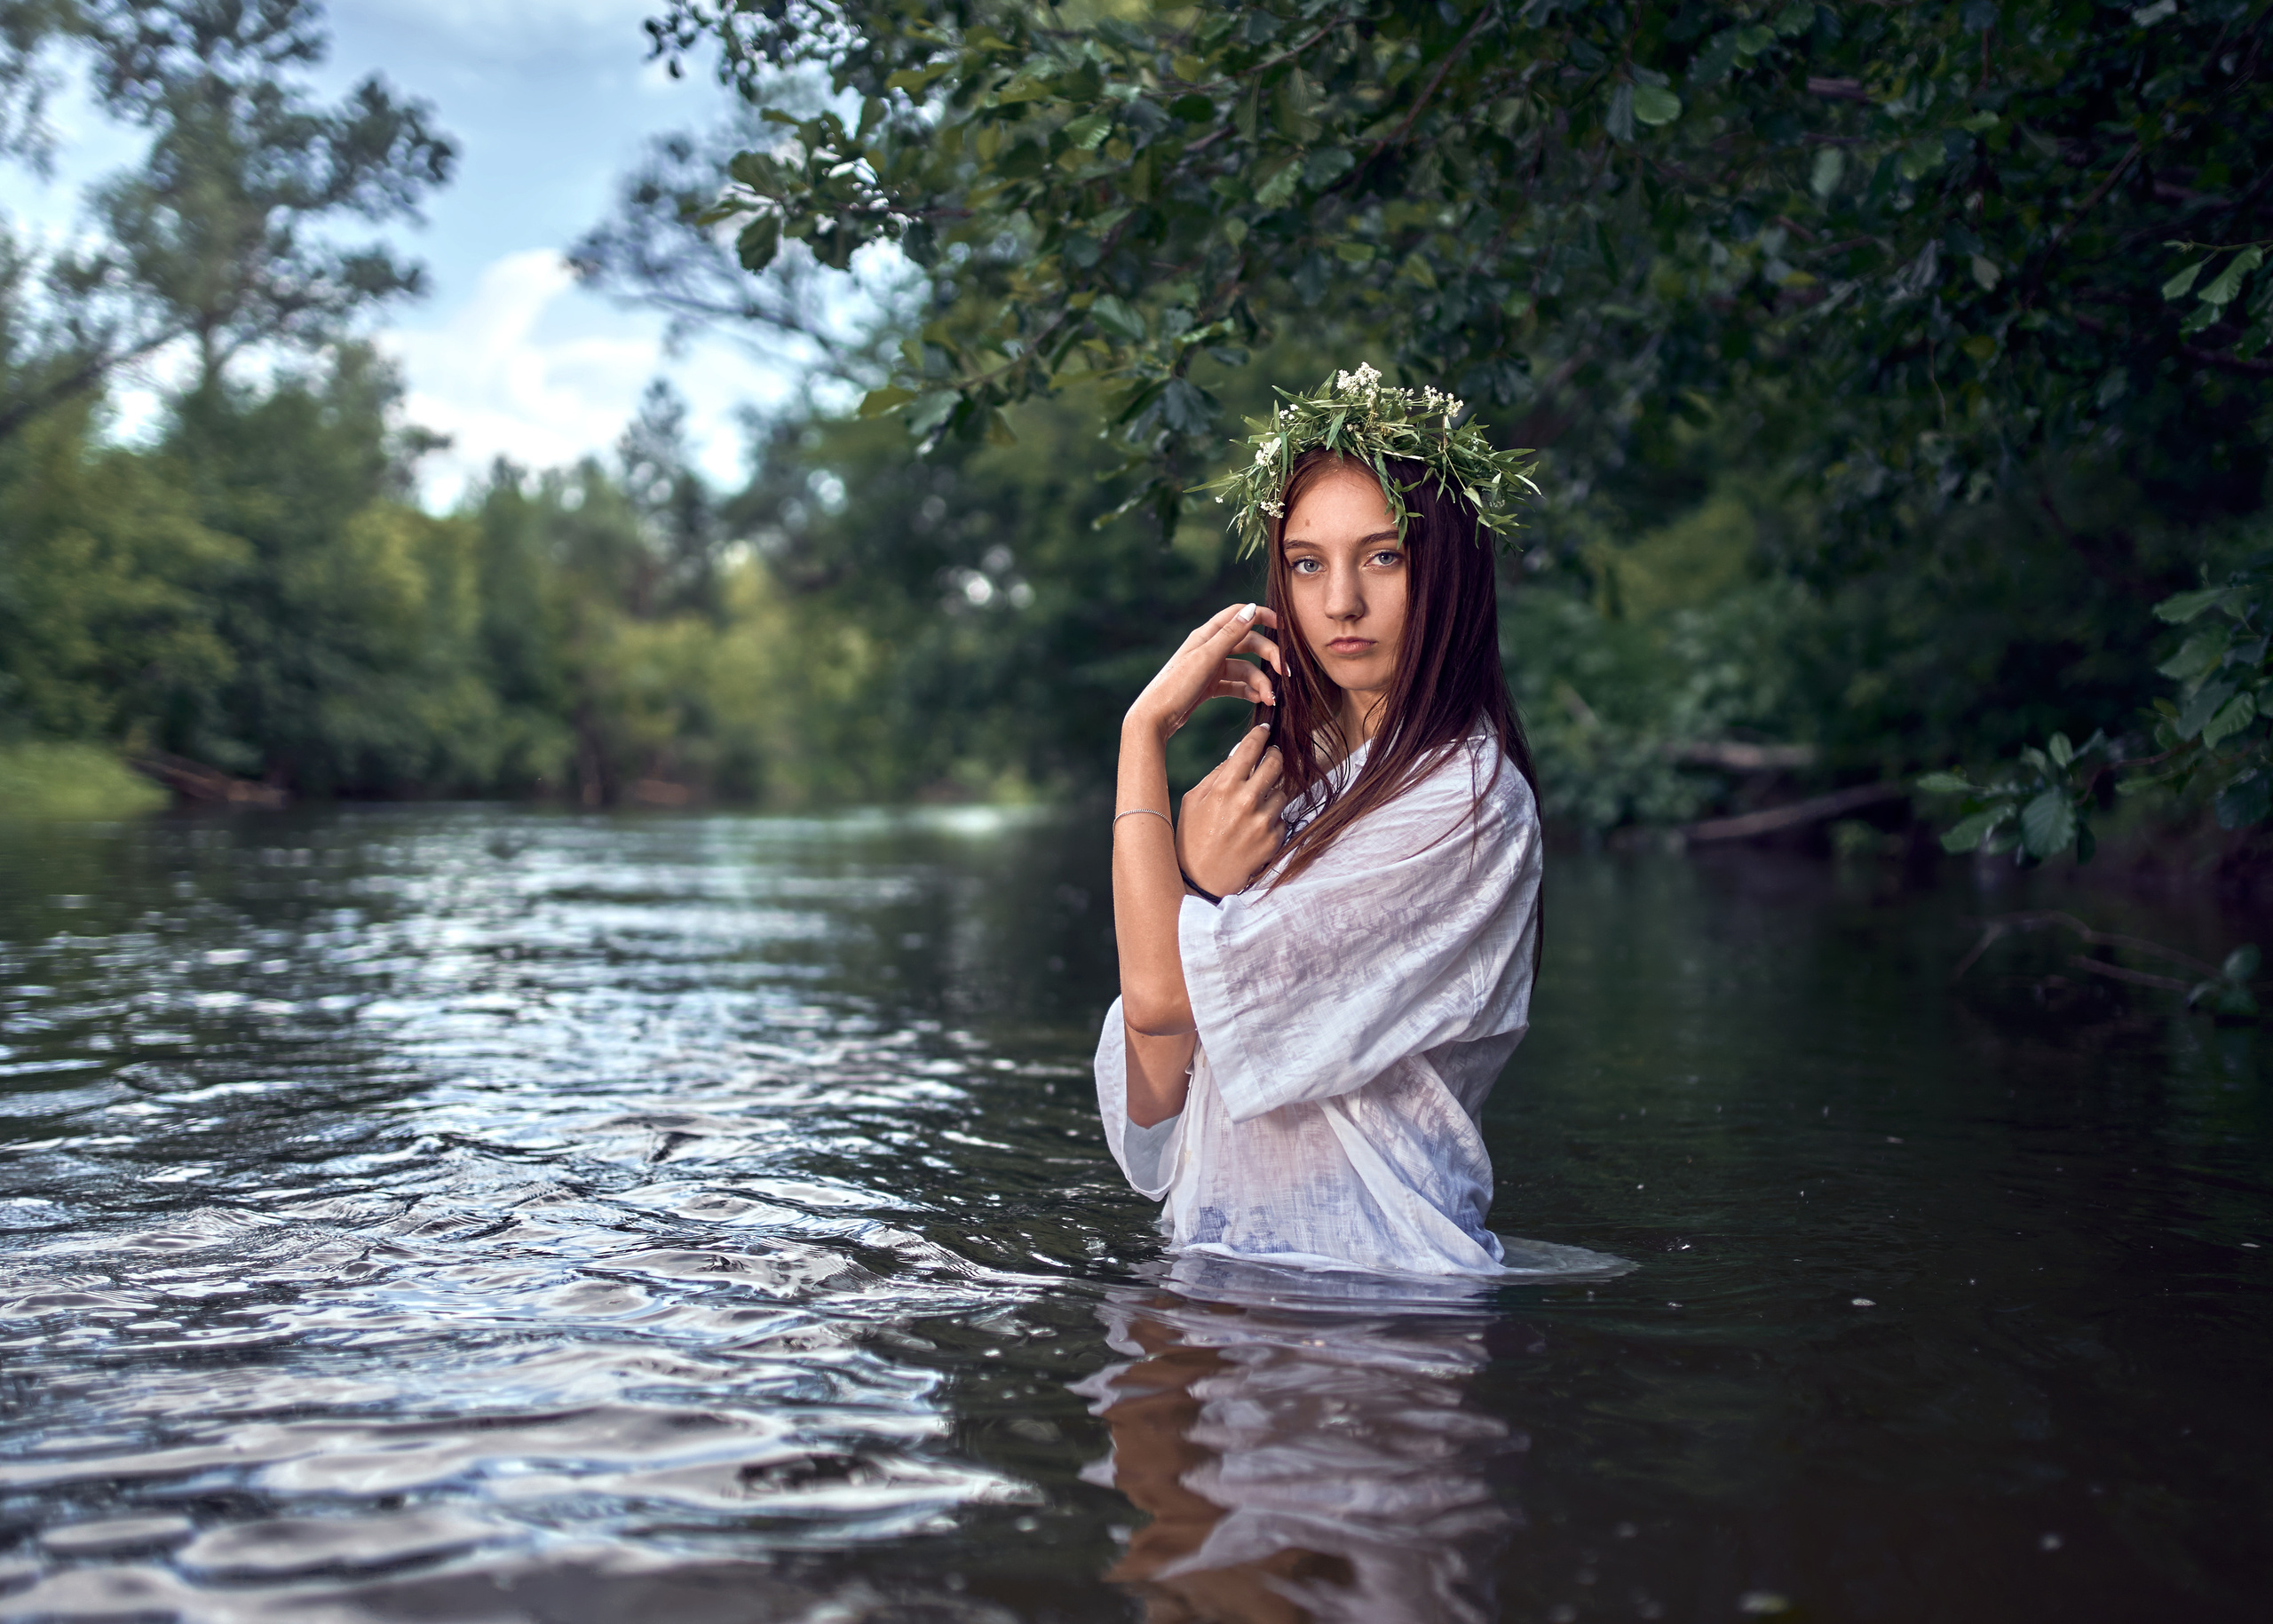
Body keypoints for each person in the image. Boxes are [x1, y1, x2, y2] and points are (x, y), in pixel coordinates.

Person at [1095, 365, 1550, 1278]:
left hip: (1376, 1296)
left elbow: (1158, 996)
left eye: (1383, 555)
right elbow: (1160, 1085)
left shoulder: (1464, 805)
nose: (1339, 600)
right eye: (1307, 563)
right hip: (1224, 1273)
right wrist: (1199, 886)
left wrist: (1141, 735)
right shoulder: (1294, 798)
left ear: (1449, 572)